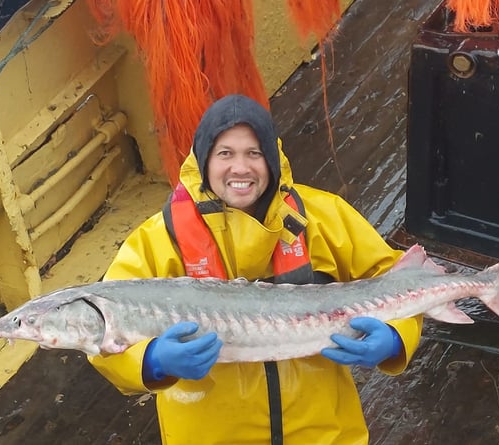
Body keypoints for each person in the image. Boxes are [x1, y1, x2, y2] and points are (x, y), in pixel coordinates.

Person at [89, 94, 422, 444]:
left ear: (272, 159)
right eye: (225, 154)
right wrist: (152, 360)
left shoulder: (325, 217)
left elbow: (399, 278)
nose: (240, 168)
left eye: (254, 153)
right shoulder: (157, 240)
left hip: (324, 432)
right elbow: (103, 338)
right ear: (204, 161)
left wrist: (396, 337)